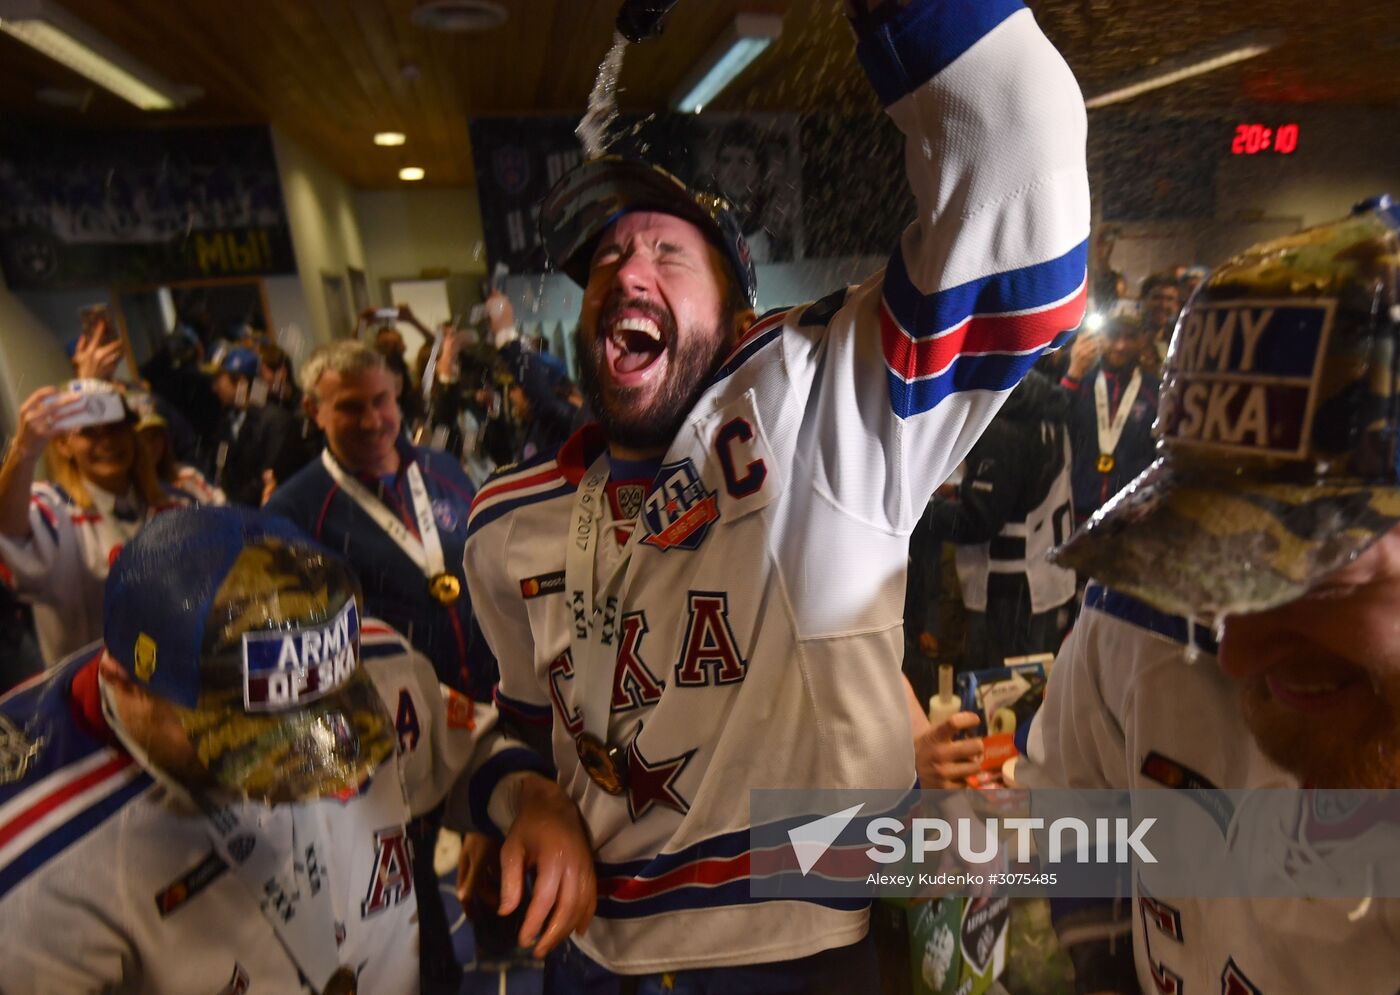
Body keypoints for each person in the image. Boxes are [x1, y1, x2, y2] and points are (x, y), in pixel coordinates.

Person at [463, 0, 1090, 986]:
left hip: (797, 958)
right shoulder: (506, 518)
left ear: (741, 312)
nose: (628, 270)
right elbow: (512, 731)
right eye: (605, 261)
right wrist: (523, 802)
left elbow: (1017, 154)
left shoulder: (811, 404)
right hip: (585, 964)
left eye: (667, 252)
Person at [1023, 199, 1400, 993]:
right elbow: (1075, 809)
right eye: (1211, 560)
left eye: (1313, 575)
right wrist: (1102, 967)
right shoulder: (1137, 615)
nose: (1234, 646)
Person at [0, 507, 596, 994]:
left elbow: (461, 747)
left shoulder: (375, 665)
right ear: (123, 678)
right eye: (248, 733)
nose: (303, 768)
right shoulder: (29, 864)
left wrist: (533, 799)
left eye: (323, 707)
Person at [264, 341, 493, 988]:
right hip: (395, 744)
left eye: (381, 400)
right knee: (412, 911)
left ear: (399, 396)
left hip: (484, 710)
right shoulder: (294, 510)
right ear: (313, 410)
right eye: (349, 406)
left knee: (503, 868)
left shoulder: (447, 471)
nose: (371, 419)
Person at [0, 379, 195, 664]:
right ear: (65, 444)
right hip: (90, 696)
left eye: (116, 427)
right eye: (89, 432)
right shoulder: (56, 509)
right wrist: (23, 451)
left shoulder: (176, 503)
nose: (107, 442)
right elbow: (8, 526)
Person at [914, 367, 1076, 669]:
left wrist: (916, 508)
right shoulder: (1043, 404)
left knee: (1001, 700)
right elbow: (1021, 489)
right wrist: (963, 488)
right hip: (1047, 577)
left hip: (1010, 591)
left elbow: (977, 521)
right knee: (1033, 689)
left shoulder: (1003, 423)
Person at [1062, 315, 1159, 522]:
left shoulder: (1155, 390)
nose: (1121, 346)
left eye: (1130, 337)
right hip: (1075, 508)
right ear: (1100, 337)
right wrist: (1073, 374)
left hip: (1130, 514)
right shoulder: (1079, 381)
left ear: (1142, 340)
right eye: (1113, 335)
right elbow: (1053, 425)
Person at [209, 346, 297, 507]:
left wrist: (232, 503)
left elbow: (269, 475)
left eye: (220, 380)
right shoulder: (228, 421)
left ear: (241, 382)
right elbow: (220, 469)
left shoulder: (276, 420)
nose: (215, 388)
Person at [130, 391, 227, 505]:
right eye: (143, 438)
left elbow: (222, 507)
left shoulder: (188, 475)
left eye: (156, 436)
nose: (151, 445)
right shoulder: (126, 490)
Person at [1137, 271, 1182, 375]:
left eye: (1170, 299)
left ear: (1177, 305)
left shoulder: (1181, 340)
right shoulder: (1129, 337)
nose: (1163, 305)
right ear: (1143, 301)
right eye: (1156, 298)